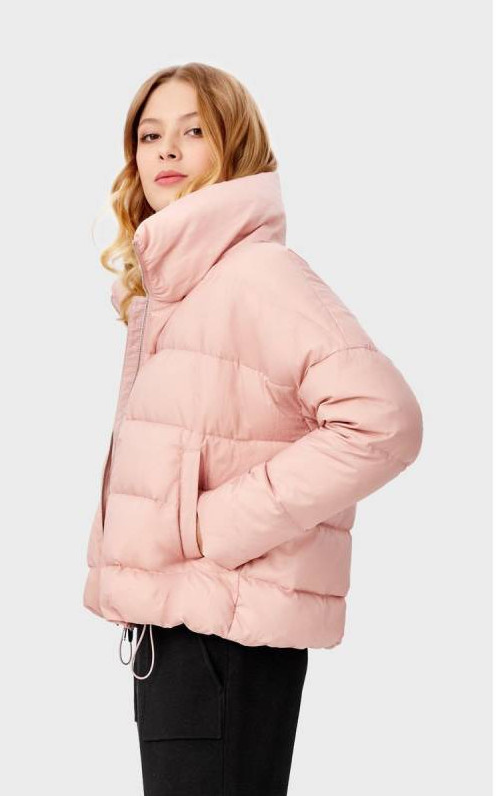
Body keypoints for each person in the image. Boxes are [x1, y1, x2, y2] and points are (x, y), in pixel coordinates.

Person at [83, 62, 423, 796]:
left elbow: (384, 422)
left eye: (193, 130)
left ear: (233, 144)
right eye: (150, 135)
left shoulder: (256, 276)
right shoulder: (175, 291)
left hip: (222, 636)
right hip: (180, 632)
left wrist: (210, 526)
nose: (167, 150)